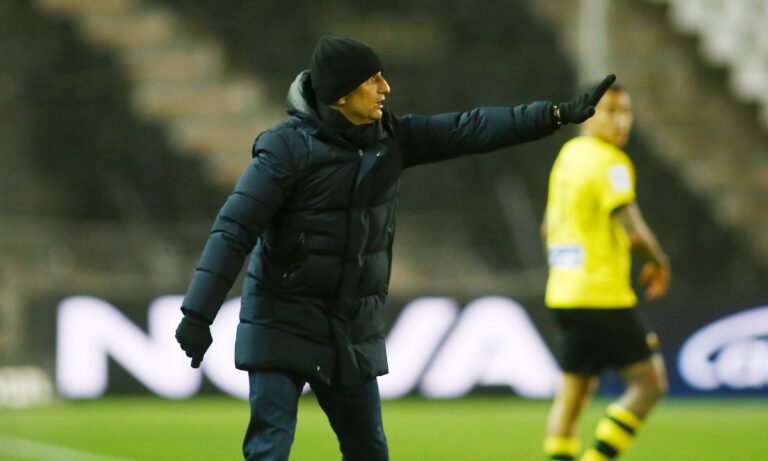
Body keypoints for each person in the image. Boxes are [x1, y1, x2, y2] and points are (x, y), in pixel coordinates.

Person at [175, 35, 615, 461]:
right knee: (269, 448)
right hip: (282, 321)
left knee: (369, 452)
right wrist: (198, 314)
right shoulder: (285, 149)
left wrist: (555, 115)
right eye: (372, 79)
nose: (385, 88)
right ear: (340, 94)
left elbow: (472, 127)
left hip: (349, 330)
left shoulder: (391, 139)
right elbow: (234, 229)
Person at [541, 82, 671, 461]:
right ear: (587, 117)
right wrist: (658, 262)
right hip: (601, 295)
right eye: (611, 111)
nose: (621, 121)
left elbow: (547, 228)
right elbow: (634, 232)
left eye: (626, 111)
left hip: (563, 294)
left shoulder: (568, 155)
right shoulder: (610, 162)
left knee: (573, 393)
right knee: (650, 385)